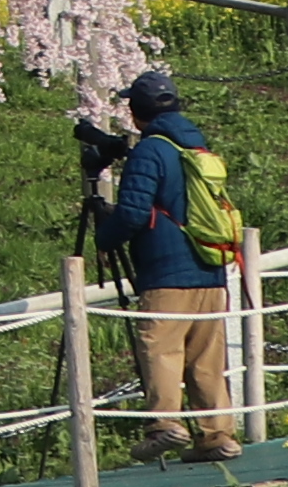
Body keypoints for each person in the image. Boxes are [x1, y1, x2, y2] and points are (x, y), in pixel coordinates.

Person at [83, 72, 241, 465]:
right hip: (209, 267)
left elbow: (135, 212)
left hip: (167, 271)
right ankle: (217, 436)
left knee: (160, 347)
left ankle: (165, 424)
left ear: (136, 113)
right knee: (206, 357)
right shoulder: (195, 145)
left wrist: (105, 235)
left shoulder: (150, 151)